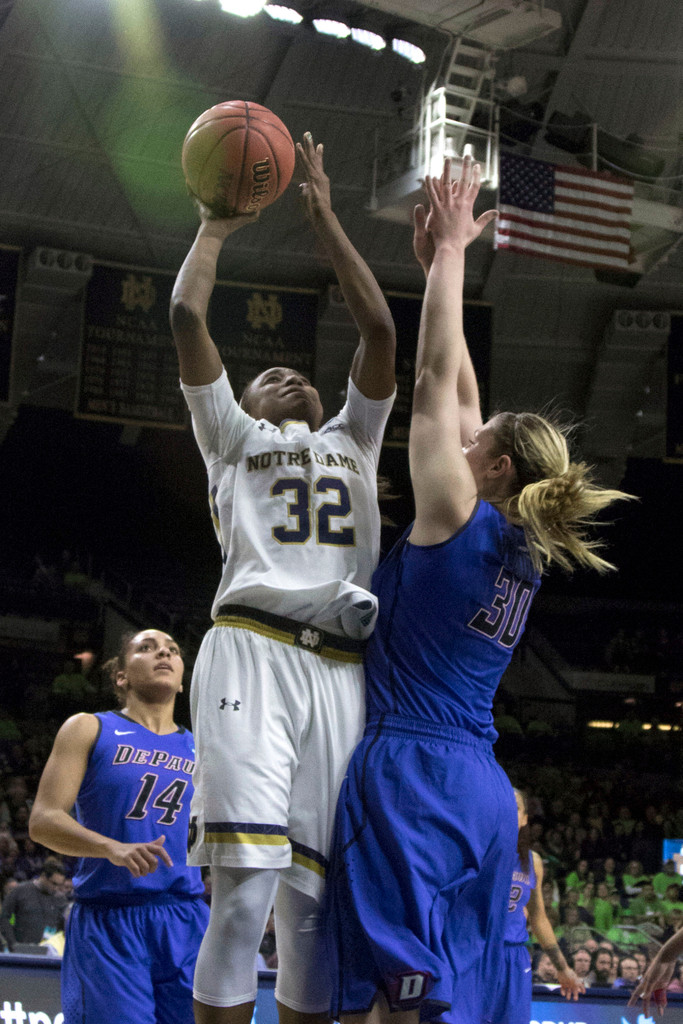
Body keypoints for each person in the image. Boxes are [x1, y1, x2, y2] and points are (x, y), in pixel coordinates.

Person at [323, 155, 632, 1024]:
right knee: (432, 1000)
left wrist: (455, 250)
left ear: (492, 467)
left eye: (476, 441)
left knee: (387, 1005)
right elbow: (457, 391)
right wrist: (435, 268)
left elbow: (429, 386)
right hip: (482, 792)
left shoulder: (457, 516)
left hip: (409, 770)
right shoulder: (518, 542)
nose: (459, 436)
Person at [169, 131, 396, 1024]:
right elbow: (189, 320)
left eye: (298, 371)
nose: (286, 374)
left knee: (311, 911)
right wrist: (216, 228)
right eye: (265, 375)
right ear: (241, 405)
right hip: (252, 655)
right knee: (246, 894)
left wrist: (326, 219)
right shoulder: (231, 440)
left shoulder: (353, 438)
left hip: (341, 669)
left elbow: (379, 329)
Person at [28, 628, 209, 1024]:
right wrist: (113, 848)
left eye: (172, 650)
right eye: (147, 648)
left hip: (186, 918)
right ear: (121, 677)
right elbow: (43, 821)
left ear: (182, 681)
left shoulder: (203, 748)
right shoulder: (89, 728)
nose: (163, 652)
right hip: (111, 919)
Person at [490, 789, 584, 1024]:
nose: (509, 811)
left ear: (524, 818)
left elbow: (538, 917)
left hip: (514, 955)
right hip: (477, 952)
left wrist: (562, 967)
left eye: (516, 808)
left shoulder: (532, 861)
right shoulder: (475, 853)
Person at [0, 857, 66, 950]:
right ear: (43, 876)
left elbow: (64, 926)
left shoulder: (60, 899)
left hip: (50, 952)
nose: (56, 888)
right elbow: (4, 917)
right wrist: (13, 943)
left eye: (59, 885)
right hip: (22, 950)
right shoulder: (20, 891)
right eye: (54, 884)